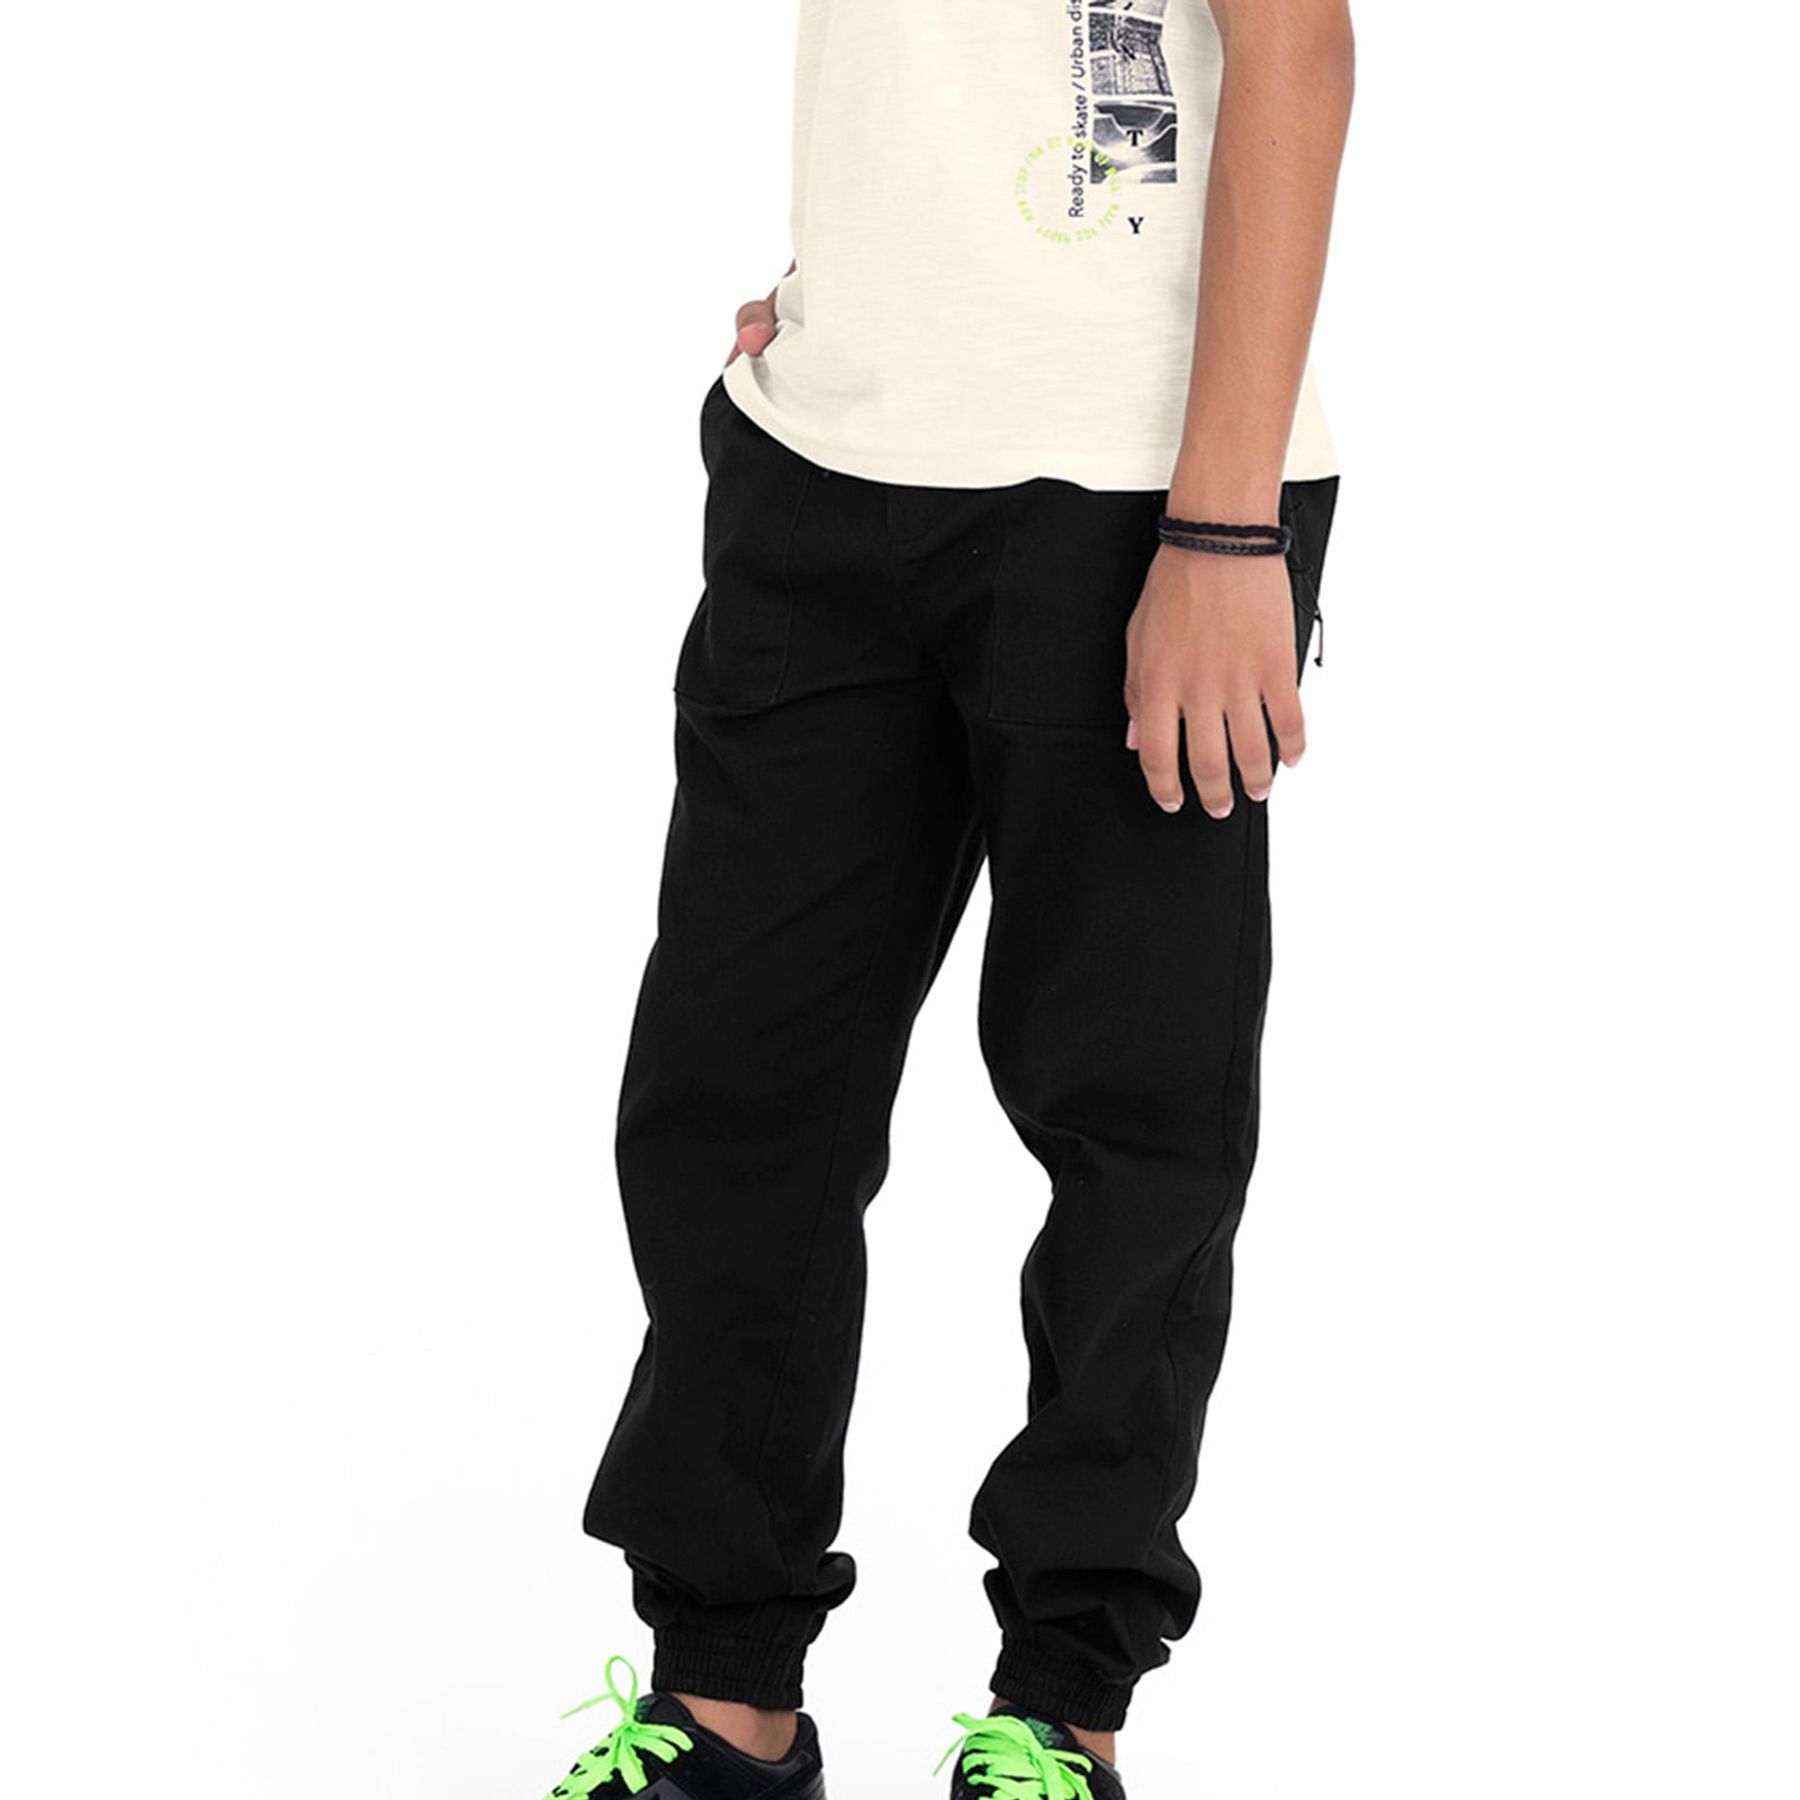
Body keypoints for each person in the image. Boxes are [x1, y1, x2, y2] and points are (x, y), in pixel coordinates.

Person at [545, 1, 1353, 1795]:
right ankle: (724, 1709)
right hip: (825, 462)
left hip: (1143, 490)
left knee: (1130, 1125)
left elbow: (1293, 44)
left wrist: (1226, 529)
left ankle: (1062, 1709)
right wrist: (873, 282)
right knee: (735, 1097)